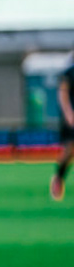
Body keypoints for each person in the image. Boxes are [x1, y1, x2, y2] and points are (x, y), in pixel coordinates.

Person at [52, 53, 73, 201]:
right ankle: (58, 178)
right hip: (71, 118)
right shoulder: (68, 73)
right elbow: (63, 93)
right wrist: (69, 114)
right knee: (70, 149)